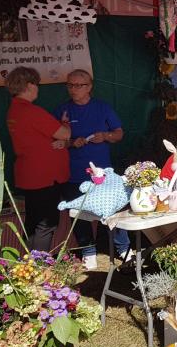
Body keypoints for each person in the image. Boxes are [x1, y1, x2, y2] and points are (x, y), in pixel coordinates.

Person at [53, 69, 130, 269]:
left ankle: (123, 249)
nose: (73, 89)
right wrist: (71, 142)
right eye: (70, 85)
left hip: (103, 173)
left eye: (78, 85)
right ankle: (88, 252)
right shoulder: (62, 110)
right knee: (78, 213)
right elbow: (53, 141)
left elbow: (119, 133)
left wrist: (105, 136)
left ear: (89, 87)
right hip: (73, 172)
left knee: (114, 209)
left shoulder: (102, 108)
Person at [5, 67, 70, 251]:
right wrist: (65, 123)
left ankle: (28, 262)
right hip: (44, 175)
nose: (38, 88)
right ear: (29, 85)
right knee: (46, 223)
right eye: (36, 84)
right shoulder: (31, 111)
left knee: (33, 221)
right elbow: (64, 134)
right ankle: (40, 265)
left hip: (30, 174)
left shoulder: (14, 110)